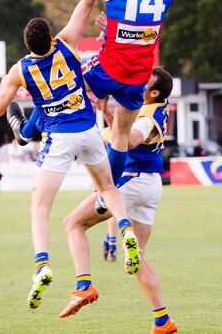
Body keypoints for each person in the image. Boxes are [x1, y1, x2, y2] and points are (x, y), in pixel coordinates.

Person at [0, 0, 142, 312]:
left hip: (58, 138)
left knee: (40, 207)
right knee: (107, 187)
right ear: (50, 35)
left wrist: (9, 86)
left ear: (28, 45)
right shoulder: (68, 42)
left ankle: (42, 265)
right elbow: (87, 0)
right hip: (89, 129)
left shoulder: (21, 69)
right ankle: (124, 229)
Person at [62, 67, 178, 333]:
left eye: (145, 80)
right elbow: (123, 129)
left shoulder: (148, 114)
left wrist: (99, 134)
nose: (140, 81)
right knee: (136, 259)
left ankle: (84, 286)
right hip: (150, 184)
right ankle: (163, 320)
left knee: (73, 224)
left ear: (155, 92)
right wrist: (106, 112)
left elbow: (131, 139)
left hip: (132, 181)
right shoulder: (157, 106)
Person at [66, 0, 173, 184]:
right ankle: (108, 193)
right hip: (137, 78)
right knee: (120, 137)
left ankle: (32, 129)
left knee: (62, 80)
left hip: (107, 68)